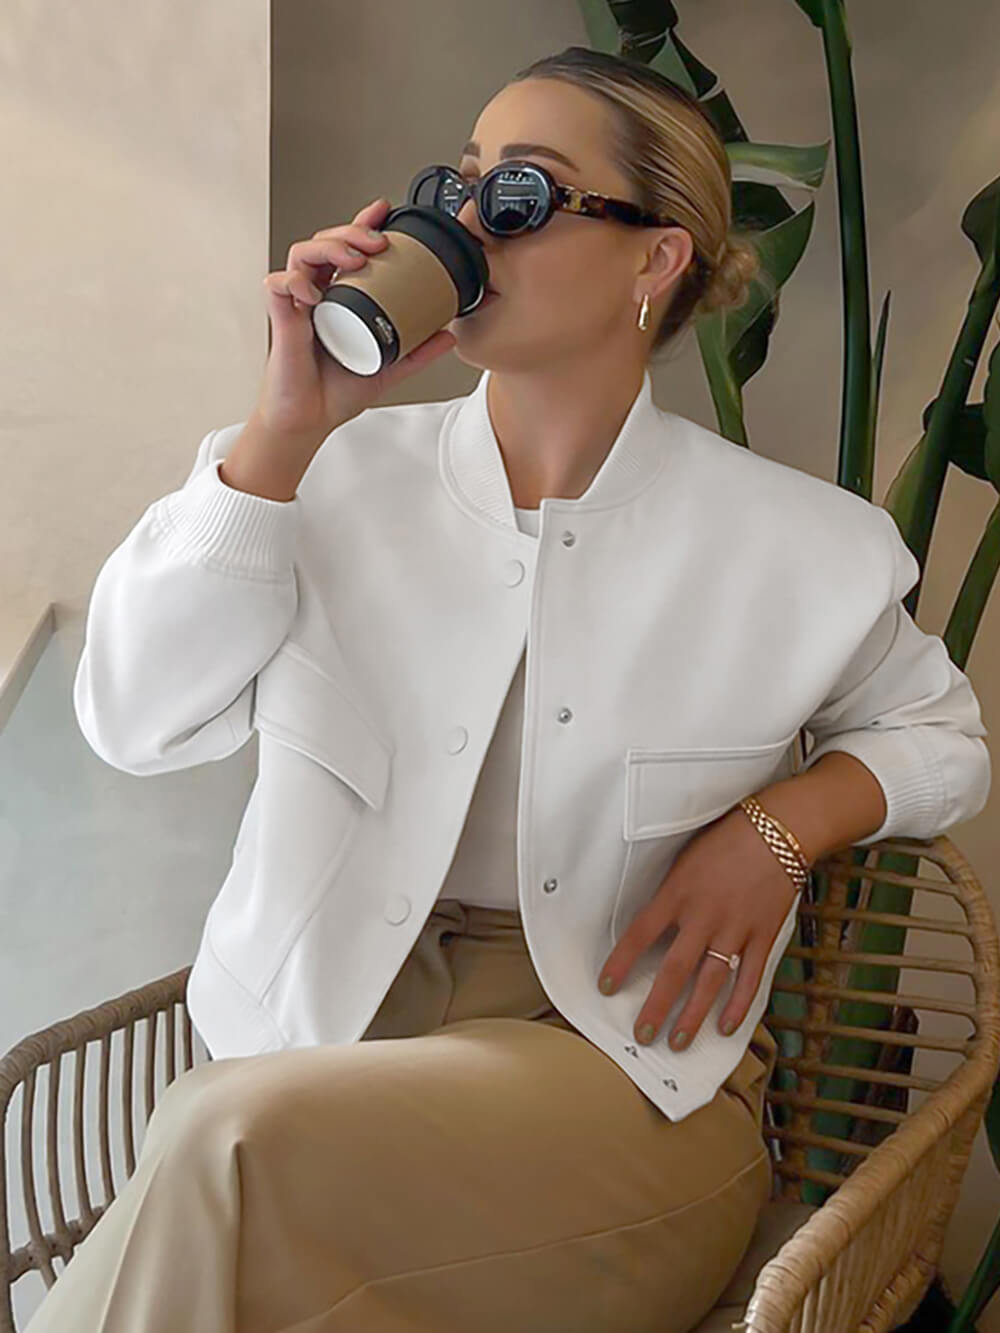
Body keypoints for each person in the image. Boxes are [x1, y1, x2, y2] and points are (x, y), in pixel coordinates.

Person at [27, 44, 990, 1333]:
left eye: (521, 193)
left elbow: (942, 738)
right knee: (246, 1193)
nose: (467, 223)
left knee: (224, 1141)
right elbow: (132, 722)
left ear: (656, 258)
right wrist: (284, 432)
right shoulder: (314, 474)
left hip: (619, 1090)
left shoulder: (800, 546)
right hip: (328, 1048)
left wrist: (780, 827)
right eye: (458, 182)